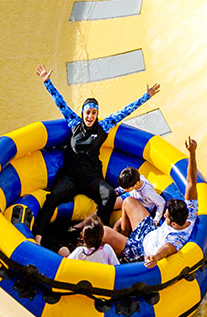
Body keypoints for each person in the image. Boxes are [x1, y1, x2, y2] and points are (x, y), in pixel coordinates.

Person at [33, 64, 158, 250]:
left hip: (92, 177)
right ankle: (39, 235)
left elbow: (125, 111)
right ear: (83, 112)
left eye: (93, 113)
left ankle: (100, 232)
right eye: (88, 112)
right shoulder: (74, 123)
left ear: (97, 114)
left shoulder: (103, 127)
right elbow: (60, 102)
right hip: (71, 177)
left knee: (108, 195)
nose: (90, 116)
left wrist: (146, 96)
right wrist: (47, 82)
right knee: (53, 198)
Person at [123, 138, 202, 267]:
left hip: (141, 250)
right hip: (150, 232)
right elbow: (191, 181)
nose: (164, 216)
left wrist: (156, 257)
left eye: (166, 216)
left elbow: (167, 249)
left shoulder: (177, 238)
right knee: (128, 201)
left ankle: (122, 250)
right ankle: (124, 234)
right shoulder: (191, 210)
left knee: (106, 233)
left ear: (174, 224)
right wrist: (192, 153)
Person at [112, 166, 165, 232]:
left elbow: (161, 202)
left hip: (143, 206)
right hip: (131, 196)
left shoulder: (147, 192)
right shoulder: (136, 179)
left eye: (126, 188)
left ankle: (122, 237)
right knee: (110, 204)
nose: (124, 190)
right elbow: (125, 186)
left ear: (136, 184)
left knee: (119, 224)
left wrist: (156, 220)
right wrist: (118, 190)